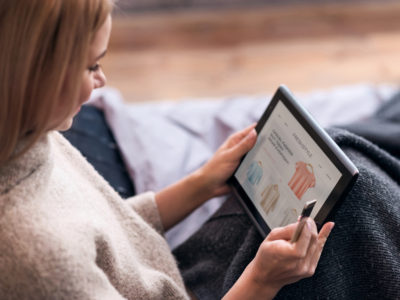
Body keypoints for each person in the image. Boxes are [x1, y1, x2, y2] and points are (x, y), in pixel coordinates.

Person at [0, 1, 335, 299]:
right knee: (354, 201)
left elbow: (105, 230)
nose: (102, 80)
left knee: (344, 151)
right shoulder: (41, 262)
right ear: (34, 76)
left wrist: (199, 184)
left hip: (177, 271)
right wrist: (262, 281)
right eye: (92, 66)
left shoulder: (28, 130)